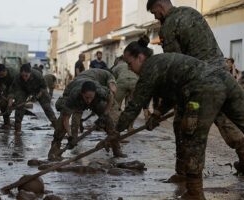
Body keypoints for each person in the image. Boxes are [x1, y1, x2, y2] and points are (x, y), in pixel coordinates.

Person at [116, 37, 244, 199]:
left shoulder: (149, 69)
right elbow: (174, 92)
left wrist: (115, 131)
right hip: (225, 80)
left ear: (140, 58)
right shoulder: (163, 61)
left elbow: (135, 105)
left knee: (193, 138)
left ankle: (194, 192)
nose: (129, 68)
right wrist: (158, 113)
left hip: (203, 92)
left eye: (129, 63)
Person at [147, 0, 244, 179]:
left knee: (183, 126)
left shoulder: (168, 26)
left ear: (160, 7)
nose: (155, 17)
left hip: (200, 83)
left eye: (154, 13)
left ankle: (184, 174)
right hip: (222, 75)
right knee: (227, 120)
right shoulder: (192, 12)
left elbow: (175, 68)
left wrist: (160, 110)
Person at [48, 79, 125, 161]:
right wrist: (70, 136)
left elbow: (111, 97)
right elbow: (66, 119)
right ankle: (54, 151)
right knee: (60, 126)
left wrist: (105, 114)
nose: (88, 100)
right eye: (87, 97)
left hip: (96, 101)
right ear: (82, 94)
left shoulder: (100, 92)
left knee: (108, 121)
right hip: (76, 97)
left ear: (95, 94)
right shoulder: (73, 96)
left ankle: (116, 149)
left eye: (91, 97)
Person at [7, 64, 57, 134]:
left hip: (38, 90)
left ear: (30, 73)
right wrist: (10, 102)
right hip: (24, 90)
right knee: (19, 105)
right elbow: (12, 90)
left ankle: (57, 128)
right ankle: (17, 130)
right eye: (22, 76)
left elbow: (44, 87)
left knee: (47, 107)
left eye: (26, 76)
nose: (24, 78)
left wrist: (37, 97)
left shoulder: (37, 75)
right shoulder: (18, 77)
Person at [0, 64, 18, 130]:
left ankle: (18, 123)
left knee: (17, 104)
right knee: (2, 104)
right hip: (7, 87)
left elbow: (12, 90)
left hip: (18, 87)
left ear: (5, 71)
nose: (1, 77)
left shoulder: (13, 74)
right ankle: (7, 123)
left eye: (2, 75)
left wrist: (10, 104)